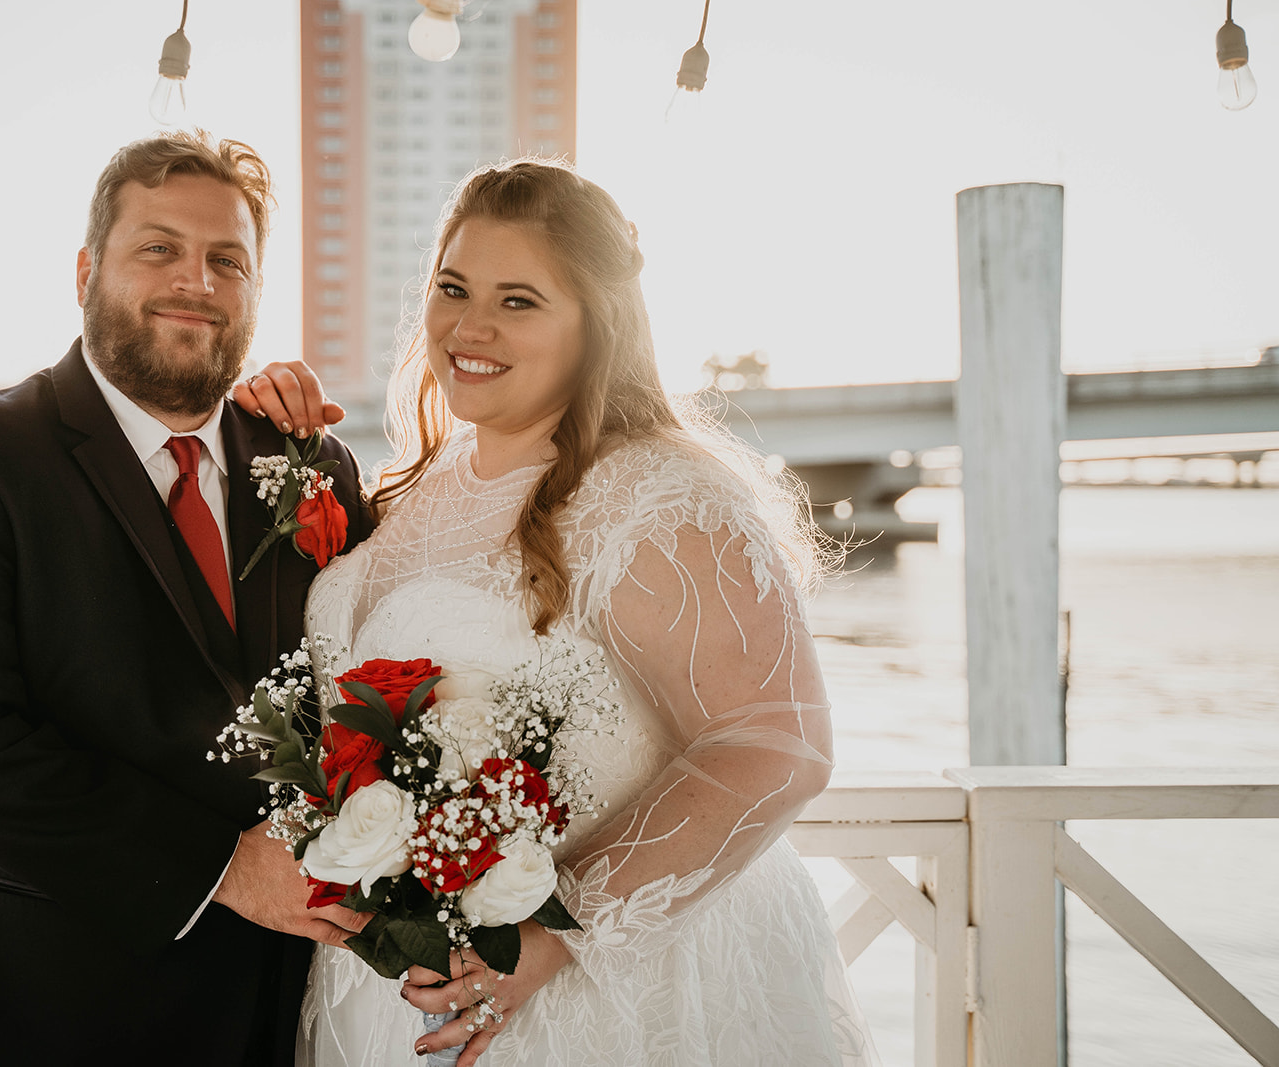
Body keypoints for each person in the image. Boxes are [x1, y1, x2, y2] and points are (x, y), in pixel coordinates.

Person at [242, 159, 876, 1066]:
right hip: (387, 996)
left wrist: (557, 933)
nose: (470, 325)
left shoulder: (654, 494)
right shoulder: (418, 484)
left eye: (519, 300)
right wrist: (262, 426)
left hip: (588, 1002)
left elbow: (778, 742)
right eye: (453, 288)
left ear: (597, 325)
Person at [0, 130, 373, 1065]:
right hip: (39, 1010)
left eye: (229, 259)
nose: (197, 279)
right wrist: (223, 869)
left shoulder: (313, 464)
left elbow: (377, 685)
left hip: (276, 1013)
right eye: (160, 248)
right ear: (86, 269)